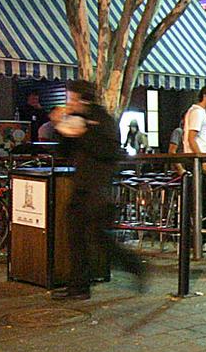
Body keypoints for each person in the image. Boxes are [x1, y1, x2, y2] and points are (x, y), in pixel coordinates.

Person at [50, 79, 145, 299]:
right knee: (75, 238)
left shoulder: (102, 120)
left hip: (98, 190)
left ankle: (135, 267)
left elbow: (110, 151)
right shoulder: (76, 120)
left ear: (82, 99)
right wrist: (60, 128)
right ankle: (78, 287)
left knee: (100, 238)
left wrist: (83, 134)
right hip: (80, 187)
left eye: (72, 98)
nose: (69, 103)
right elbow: (63, 152)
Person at [183, 85, 206, 254]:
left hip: (197, 159)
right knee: (203, 201)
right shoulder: (197, 112)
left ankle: (199, 239)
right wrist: (202, 159)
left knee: (202, 200)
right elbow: (191, 138)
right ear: (204, 96)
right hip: (197, 161)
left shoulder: (195, 112)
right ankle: (202, 239)